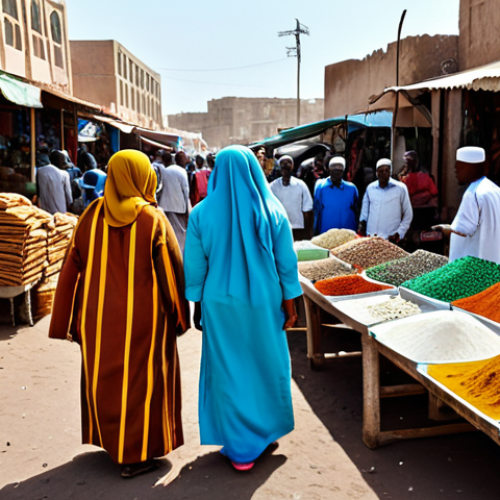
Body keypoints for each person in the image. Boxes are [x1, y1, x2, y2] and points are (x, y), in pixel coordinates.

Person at [48, 150, 190, 478]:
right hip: (144, 321)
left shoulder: (92, 213)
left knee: (106, 380)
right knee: (142, 384)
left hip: (97, 318)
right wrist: (180, 316)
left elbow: (72, 265)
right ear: (142, 177)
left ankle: (110, 440)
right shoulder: (152, 219)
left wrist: (67, 319)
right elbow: (171, 272)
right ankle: (134, 457)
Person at [184, 145, 302, 471]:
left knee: (229, 370)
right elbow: (286, 265)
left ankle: (239, 445)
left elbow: (194, 267)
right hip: (264, 302)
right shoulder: (272, 210)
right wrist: (290, 306)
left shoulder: (200, 213)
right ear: (254, 170)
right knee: (266, 365)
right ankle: (263, 433)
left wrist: (196, 305)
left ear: (217, 172)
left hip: (219, 304)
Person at [433, 146, 500, 263]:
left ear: (472, 168)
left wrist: (445, 230)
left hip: (474, 267)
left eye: (460, 167)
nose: (455, 170)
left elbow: (462, 230)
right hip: (494, 265)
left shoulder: (473, 193)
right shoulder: (494, 189)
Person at [358, 158, 413, 243]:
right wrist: (362, 226)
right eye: (381, 171)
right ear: (376, 173)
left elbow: (408, 214)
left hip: (391, 238)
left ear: (390, 172)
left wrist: (400, 232)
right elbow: (365, 211)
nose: (384, 173)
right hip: (372, 238)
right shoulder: (370, 188)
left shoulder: (400, 188)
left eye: (386, 170)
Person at [270, 155, 313, 240]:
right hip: (279, 228)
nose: (285, 165)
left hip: (297, 228)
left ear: (292, 167)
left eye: (288, 163)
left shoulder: (300, 185)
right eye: (283, 164)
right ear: (279, 168)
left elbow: (307, 209)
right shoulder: (272, 186)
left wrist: (308, 232)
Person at [314, 156, 358, 234]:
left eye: (339, 171)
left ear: (343, 172)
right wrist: (314, 231)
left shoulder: (351, 188)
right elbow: (317, 211)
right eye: (334, 171)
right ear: (330, 171)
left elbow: (356, 208)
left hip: (348, 232)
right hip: (327, 233)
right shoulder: (321, 187)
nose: (336, 174)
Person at [157, 151, 190, 253]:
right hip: (179, 207)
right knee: (180, 233)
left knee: (169, 231)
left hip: (165, 206)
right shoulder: (182, 171)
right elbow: (186, 191)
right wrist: (187, 210)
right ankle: (178, 254)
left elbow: (160, 188)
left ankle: (170, 252)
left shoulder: (165, 170)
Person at [36, 146, 73, 214]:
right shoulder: (64, 174)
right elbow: (69, 198)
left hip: (43, 213)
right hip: (60, 213)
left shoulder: (40, 171)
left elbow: (38, 193)